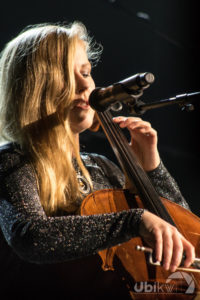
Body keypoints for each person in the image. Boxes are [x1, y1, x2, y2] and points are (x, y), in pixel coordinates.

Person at [0, 21, 195, 299]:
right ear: (35, 85)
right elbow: (31, 236)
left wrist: (151, 170)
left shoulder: (100, 166)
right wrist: (132, 221)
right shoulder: (13, 162)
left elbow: (183, 238)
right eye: (69, 73)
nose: (86, 85)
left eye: (87, 72)